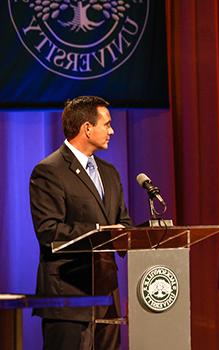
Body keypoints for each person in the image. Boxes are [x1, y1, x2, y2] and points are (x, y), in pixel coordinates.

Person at [29, 96, 132, 350]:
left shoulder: (109, 172)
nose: (112, 130)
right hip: (67, 300)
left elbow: (123, 222)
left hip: (106, 298)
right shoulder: (49, 171)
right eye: (106, 124)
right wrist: (101, 233)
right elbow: (49, 231)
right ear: (87, 128)